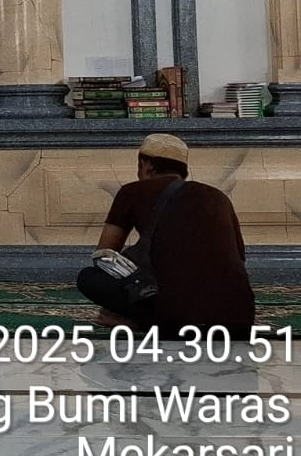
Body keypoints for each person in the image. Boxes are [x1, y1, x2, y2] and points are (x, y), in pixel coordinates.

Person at [78, 133, 255, 336]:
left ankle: (137, 321)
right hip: (238, 320)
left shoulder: (132, 191)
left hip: (174, 320)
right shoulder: (218, 197)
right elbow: (239, 258)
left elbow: (104, 257)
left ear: (146, 165)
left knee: (89, 278)